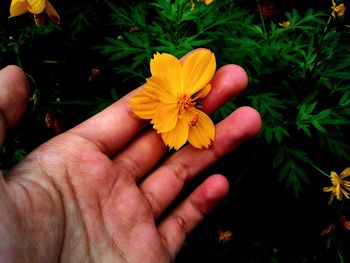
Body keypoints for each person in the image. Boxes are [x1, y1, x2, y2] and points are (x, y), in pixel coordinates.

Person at [0, 51, 261, 263]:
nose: (188, 101)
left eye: (191, 99)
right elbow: (166, 124)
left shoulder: (192, 112)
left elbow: (199, 127)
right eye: (187, 100)